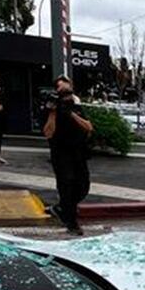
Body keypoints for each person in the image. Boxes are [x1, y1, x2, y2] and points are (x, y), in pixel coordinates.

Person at [43, 76, 93, 236]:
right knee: (67, 186)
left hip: (79, 152)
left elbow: (89, 127)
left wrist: (71, 114)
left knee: (83, 186)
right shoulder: (52, 107)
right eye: (61, 88)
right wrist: (53, 113)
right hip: (61, 153)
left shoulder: (76, 107)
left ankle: (61, 208)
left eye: (67, 87)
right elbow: (48, 133)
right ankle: (72, 223)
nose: (65, 90)